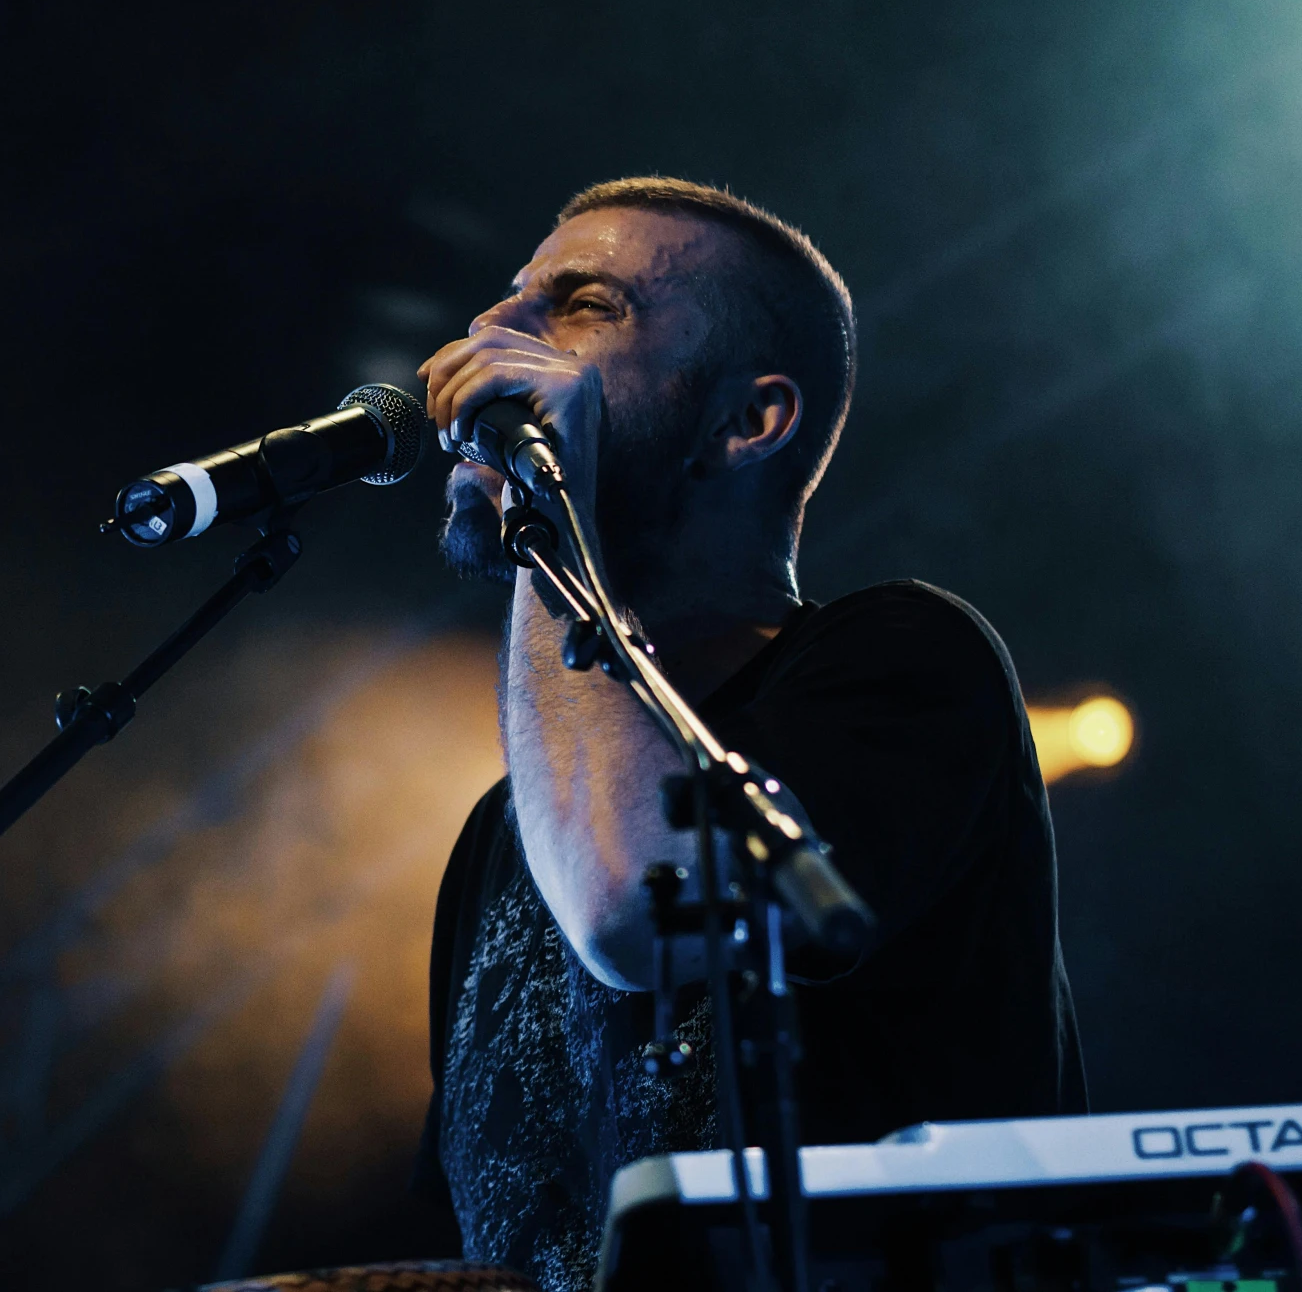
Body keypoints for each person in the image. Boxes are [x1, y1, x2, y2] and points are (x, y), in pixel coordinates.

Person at [410, 177, 1085, 1291]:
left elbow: (635, 910)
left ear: (746, 420)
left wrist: (542, 496)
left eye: (581, 303)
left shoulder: (903, 662)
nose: (490, 335)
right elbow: (470, 1233)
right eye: (501, 304)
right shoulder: (506, 826)